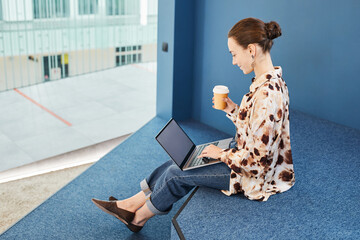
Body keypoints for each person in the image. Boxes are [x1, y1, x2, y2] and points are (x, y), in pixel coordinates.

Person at [92, 17, 295, 233]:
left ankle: (137, 218)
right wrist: (233, 109)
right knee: (184, 159)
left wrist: (221, 154)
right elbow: (257, 128)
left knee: (177, 174)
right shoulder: (271, 81)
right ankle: (130, 203)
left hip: (251, 178)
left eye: (234, 54)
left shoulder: (266, 96)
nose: (234, 61)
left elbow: (257, 163)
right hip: (243, 156)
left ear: (251, 50)